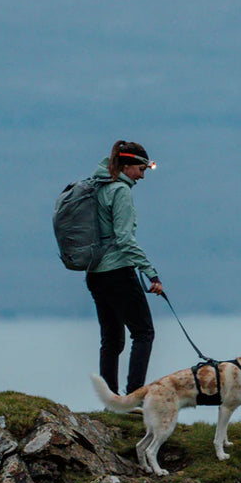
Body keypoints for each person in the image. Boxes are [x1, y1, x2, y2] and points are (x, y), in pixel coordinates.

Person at [86, 140, 163, 395]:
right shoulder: (120, 191)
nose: (142, 176)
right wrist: (151, 274)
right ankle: (134, 397)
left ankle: (111, 402)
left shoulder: (97, 186)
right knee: (144, 333)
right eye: (141, 169)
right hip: (118, 272)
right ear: (127, 166)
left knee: (111, 340)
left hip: (95, 273)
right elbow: (125, 239)